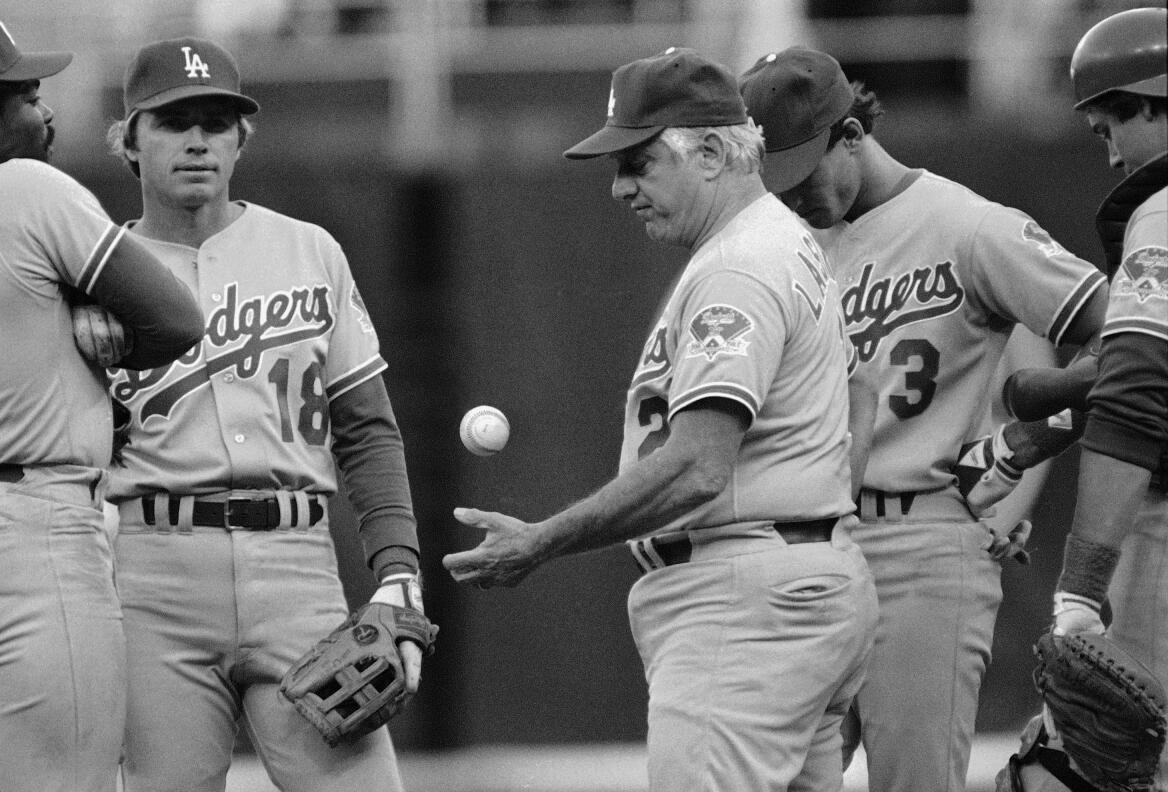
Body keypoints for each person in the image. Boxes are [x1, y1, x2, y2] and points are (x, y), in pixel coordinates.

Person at [443, 47, 879, 792]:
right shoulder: (786, 244)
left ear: (711, 152)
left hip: (742, 606)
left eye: (638, 163)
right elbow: (860, 396)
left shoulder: (738, 267)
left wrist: (541, 542)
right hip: (794, 585)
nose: (618, 188)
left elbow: (700, 465)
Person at [738, 47, 1110, 792]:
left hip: (923, 549)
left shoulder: (969, 227)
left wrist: (1028, 439)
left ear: (851, 134)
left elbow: (1127, 345)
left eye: (801, 174)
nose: (792, 197)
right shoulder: (783, 243)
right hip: (807, 549)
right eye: (773, 182)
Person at [77, 37, 426, 791]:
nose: (198, 139)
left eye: (217, 120)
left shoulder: (309, 250)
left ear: (242, 139)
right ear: (129, 141)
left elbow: (366, 428)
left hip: (297, 570)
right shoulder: (93, 272)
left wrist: (398, 570)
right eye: (173, 121)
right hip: (151, 578)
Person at [0, 8, 204, 792]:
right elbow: (176, 319)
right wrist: (89, 332)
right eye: (25, 94)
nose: (45, 111)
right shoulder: (27, 189)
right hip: (25, 535)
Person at [1046, 6, 1167, 787]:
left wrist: (1079, 590)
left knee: (1085, 772)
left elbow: (1136, 400)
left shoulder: (1162, 210)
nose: (1114, 151)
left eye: (1114, 123)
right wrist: (1063, 395)